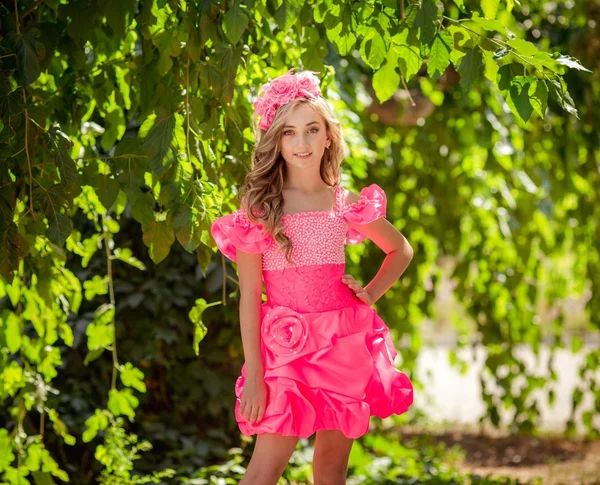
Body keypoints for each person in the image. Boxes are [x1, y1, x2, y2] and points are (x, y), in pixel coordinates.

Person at [210, 68, 414, 485]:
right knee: (264, 470)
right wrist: (254, 373)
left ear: (328, 137)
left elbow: (401, 250)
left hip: (343, 345)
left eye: (311, 130)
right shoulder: (261, 209)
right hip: (285, 352)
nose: (301, 143)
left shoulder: (346, 203)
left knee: (331, 469)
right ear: (277, 140)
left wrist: (371, 294)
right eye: (289, 132)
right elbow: (250, 295)